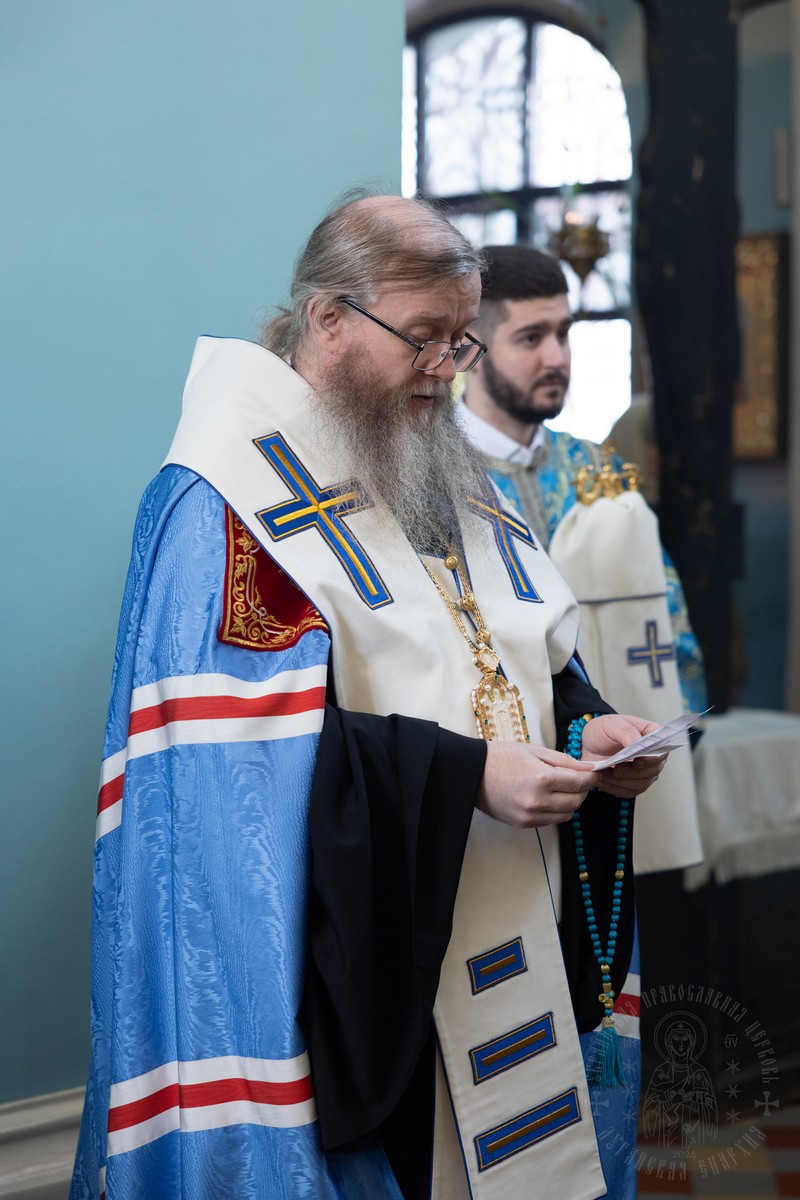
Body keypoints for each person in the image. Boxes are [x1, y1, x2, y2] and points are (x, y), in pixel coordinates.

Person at [71, 194, 666, 1200]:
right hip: (370, 972)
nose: (446, 368)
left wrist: (584, 725)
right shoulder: (224, 502)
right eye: (422, 337)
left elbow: (501, 651)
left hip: (510, 904)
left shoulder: (433, 464)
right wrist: (467, 777)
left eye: (460, 340)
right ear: (328, 319)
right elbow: (237, 773)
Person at [460, 244, 705, 876]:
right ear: (471, 348)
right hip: (506, 791)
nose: (557, 357)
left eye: (564, 334)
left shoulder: (596, 467)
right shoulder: (437, 476)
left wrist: (676, 735)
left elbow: (665, 610)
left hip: (621, 761)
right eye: (531, 337)